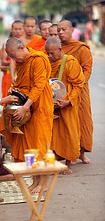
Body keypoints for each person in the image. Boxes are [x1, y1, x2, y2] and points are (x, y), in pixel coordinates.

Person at [0, 37, 54, 193]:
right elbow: (22, 83)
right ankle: (35, 181)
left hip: (40, 107)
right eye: (11, 56)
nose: (13, 59)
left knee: (40, 146)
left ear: (22, 48)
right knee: (29, 149)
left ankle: (42, 183)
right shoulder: (22, 62)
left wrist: (24, 107)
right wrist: (13, 89)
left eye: (14, 55)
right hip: (27, 109)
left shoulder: (38, 59)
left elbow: (39, 86)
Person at [45, 37, 85, 174]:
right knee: (50, 135)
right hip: (52, 105)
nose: (49, 56)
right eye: (47, 53)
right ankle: (52, 163)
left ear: (60, 49)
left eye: (52, 53)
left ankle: (68, 164)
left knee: (69, 133)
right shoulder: (47, 62)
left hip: (68, 105)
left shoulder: (70, 62)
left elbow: (78, 84)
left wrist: (68, 100)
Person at [57, 19, 93, 164]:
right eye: (58, 30)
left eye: (63, 29)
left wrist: (78, 84)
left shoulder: (81, 48)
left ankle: (82, 153)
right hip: (63, 91)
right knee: (66, 125)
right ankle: (67, 154)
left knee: (83, 121)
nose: (60, 32)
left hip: (80, 91)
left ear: (71, 30)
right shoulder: (57, 49)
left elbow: (87, 69)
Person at [0, 21, 24, 94]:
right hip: (10, 74)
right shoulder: (7, 44)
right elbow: (2, 60)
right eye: (15, 29)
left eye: (20, 29)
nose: (18, 31)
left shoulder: (26, 42)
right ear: (11, 30)